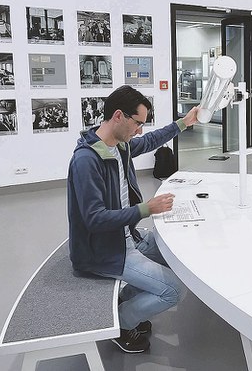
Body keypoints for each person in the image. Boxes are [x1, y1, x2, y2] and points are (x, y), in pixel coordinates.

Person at [67, 85, 199, 353]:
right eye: (137, 123)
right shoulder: (86, 161)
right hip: (103, 251)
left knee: (175, 253)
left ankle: (124, 306)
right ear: (118, 116)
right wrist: (146, 209)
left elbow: (150, 141)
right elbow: (95, 219)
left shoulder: (119, 146)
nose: (140, 130)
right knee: (174, 290)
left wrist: (184, 123)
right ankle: (122, 325)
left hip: (127, 238)